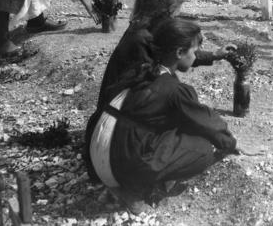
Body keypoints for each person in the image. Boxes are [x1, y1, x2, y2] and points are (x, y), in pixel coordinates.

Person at [88, 18, 249, 213]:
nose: (195, 55)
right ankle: (136, 190)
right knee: (203, 149)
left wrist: (214, 55)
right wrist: (230, 142)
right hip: (122, 166)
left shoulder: (143, 70)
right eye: (194, 51)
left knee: (165, 128)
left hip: (98, 156)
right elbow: (205, 120)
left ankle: (126, 182)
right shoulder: (175, 90)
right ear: (179, 52)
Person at [85, 0, 235, 182]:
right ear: (161, 16)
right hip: (119, 131)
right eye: (174, 16)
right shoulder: (143, 43)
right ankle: (140, 186)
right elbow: (166, 87)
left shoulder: (142, 34)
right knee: (199, 145)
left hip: (107, 129)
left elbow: (177, 54)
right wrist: (227, 141)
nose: (176, 21)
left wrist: (214, 55)